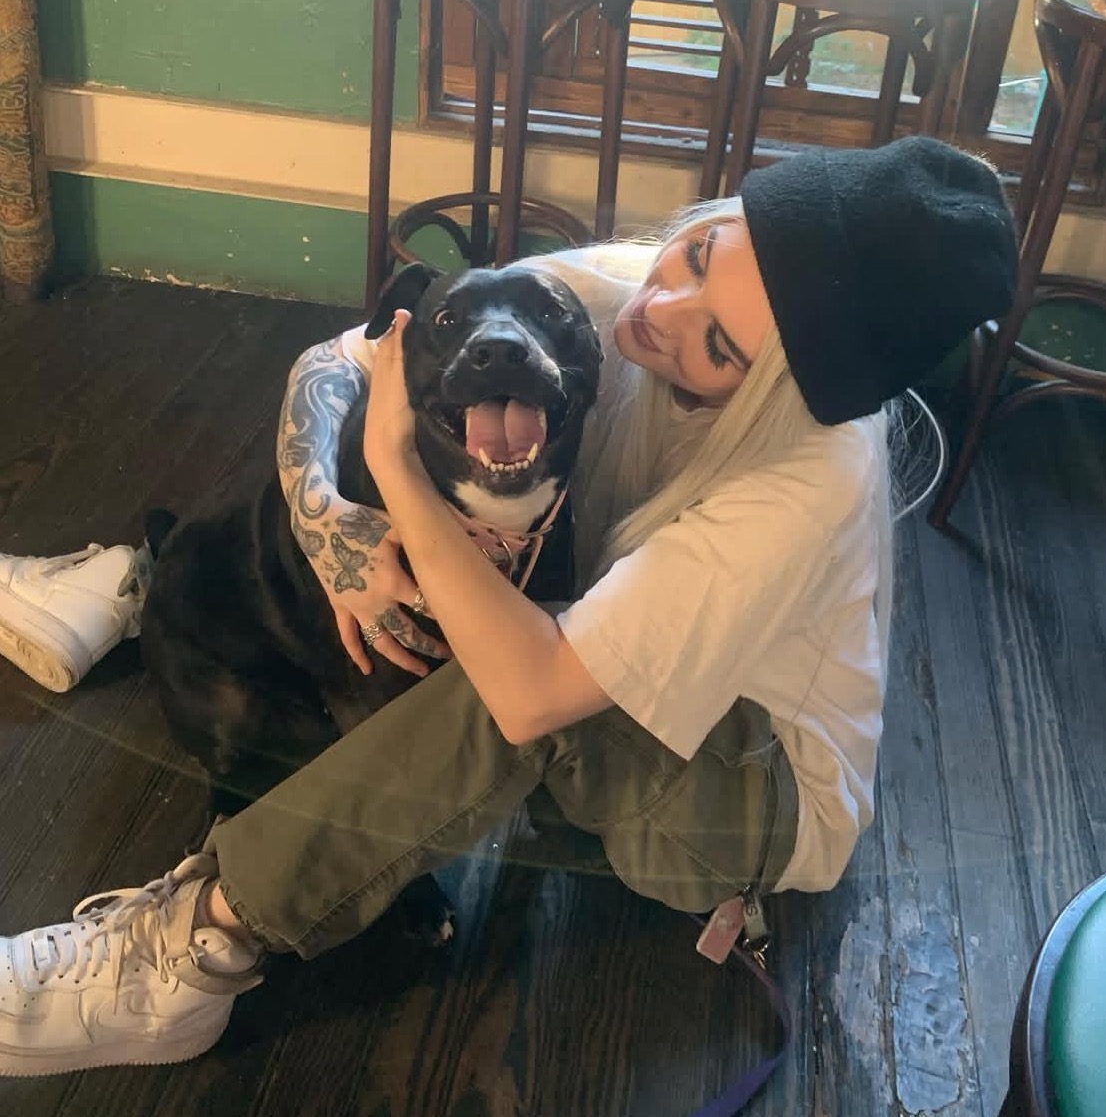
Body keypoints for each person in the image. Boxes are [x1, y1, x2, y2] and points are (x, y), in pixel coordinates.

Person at [0, 136, 1017, 1077]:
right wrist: (325, 525)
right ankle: (151, 576)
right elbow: (340, 362)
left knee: (509, 692)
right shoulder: (634, 296)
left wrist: (397, 471)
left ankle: (195, 952)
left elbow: (532, 694)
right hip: (633, 651)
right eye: (701, 253)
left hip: (747, 796)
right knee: (447, 573)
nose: (660, 309)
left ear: (771, 393)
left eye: (716, 346)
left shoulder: (803, 486)